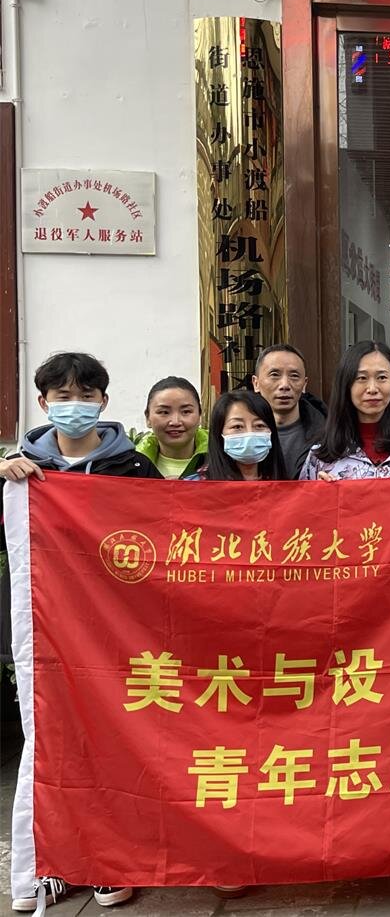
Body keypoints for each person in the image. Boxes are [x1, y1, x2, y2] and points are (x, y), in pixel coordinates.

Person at [1, 352, 154, 912]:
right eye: (63, 397)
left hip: (120, 633)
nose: (75, 406)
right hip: (49, 633)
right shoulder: (23, 472)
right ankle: (54, 863)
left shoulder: (133, 468)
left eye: (86, 396)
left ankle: (110, 859)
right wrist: (5, 479)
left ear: (104, 401)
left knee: (119, 742)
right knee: (53, 744)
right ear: (43, 403)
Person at [299, 341, 390, 480]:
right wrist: (319, 492)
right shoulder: (322, 453)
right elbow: (304, 500)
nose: (372, 389)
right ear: (346, 384)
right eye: (361, 378)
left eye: (382, 377)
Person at [251, 343, 327, 479]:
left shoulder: (328, 436)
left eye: (294, 376)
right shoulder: (240, 436)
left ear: (304, 384)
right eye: (274, 375)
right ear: (256, 383)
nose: (284, 385)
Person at [192, 389, 288, 482]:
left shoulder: (284, 485)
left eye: (259, 425)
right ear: (219, 433)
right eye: (237, 426)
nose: (249, 434)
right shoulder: (195, 485)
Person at [135, 377, 209, 479]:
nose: (175, 422)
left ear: (200, 416)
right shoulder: (130, 466)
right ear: (148, 418)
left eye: (186, 411)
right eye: (164, 412)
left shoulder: (224, 461)